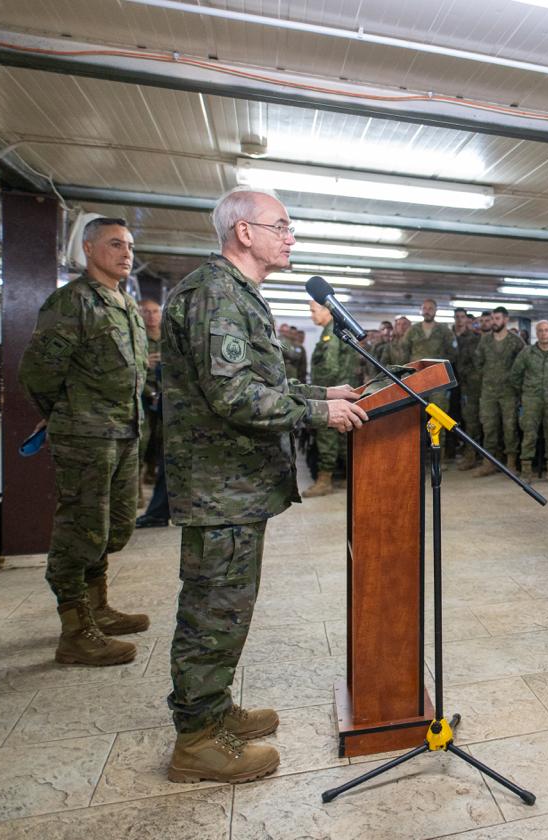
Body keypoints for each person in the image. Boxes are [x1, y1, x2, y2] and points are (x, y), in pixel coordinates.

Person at [162, 188, 368, 783]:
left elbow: (258, 381)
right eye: (281, 226)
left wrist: (320, 394)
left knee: (226, 606)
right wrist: (317, 416)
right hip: (218, 485)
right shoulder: (216, 295)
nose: (290, 236)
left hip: (233, 484)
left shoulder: (235, 293)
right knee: (213, 611)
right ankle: (195, 740)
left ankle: (213, 708)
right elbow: (232, 396)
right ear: (243, 232)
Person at [20, 216, 150, 667]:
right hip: (86, 436)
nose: (126, 252)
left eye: (130, 245)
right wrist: (65, 415)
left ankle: (97, 607)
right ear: (90, 249)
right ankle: (74, 630)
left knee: (114, 526)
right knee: (80, 529)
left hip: (124, 432)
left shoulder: (126, 305)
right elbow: (38, 373)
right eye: (115, 244)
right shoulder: (72, 302)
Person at [303, 299, 356, 497]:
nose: (312, 315)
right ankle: (352, 477)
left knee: (326, 437)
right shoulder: (335, 330)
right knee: (344, 439)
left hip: (333, 396)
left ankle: (324, 481)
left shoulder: (331, 333)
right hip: (343, 395)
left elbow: (330, 367)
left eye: (313, 310)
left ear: (327, 311)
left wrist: (321, 393)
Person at [511, 321, 548, 484]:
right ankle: (527, 472)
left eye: (547, 330)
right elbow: (515, 375)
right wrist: (525, 392)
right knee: (529, 435)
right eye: (541, 331)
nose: (544, 334)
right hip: (531, 400)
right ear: (537, 333)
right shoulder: (527, 353)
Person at [474, 306, 527, 476]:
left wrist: (515, 385)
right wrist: (488, 377)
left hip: (509, 392)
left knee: (509, 427)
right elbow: (478, 362)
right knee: (489, 427)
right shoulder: (485, 340)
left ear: (505, 320)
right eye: (492, 318)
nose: (494, 322)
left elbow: (523, 366)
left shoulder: (516, 341)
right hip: (488, 391)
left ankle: (511, 463)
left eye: (497, 318)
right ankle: (489, 462)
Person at [397, 299, 456, 423]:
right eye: (424, 308)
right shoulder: (413, 330)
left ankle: (439, 443)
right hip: (416, 378)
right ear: (421, 310)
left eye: (430, 309)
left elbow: (453, 353)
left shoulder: (444, 330)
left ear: (435, 311)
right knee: (415, 416)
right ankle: (419, 443)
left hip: (438, 379)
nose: (427, 311)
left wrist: (442, 367)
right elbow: (404, 352)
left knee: (439, 416)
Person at [453, 307, 484, 470]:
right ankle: (455, 452)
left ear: (466, 319)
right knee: (454, 417)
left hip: (469, 386)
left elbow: (477, 363)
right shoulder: (449, 335)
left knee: (470, 420)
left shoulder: (473, 339)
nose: (459, 320)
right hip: (451, 383)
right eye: (457, 317)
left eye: (462, 317)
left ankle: (471, 455)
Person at [138, 298, 164, 486]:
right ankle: (136, 486)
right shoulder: (136, 337)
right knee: (141, 441)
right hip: (141, 396)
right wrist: (143, 361)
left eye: (155, 311)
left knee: (160, 440)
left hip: (164, 396)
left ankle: (153, 473)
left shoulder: (168, 338)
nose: (151, 316)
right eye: (146, 311)